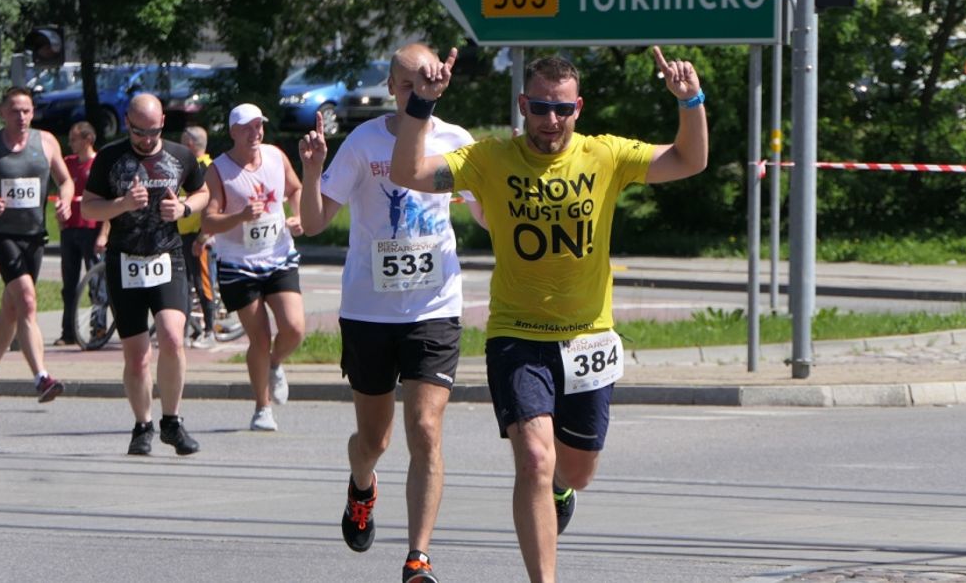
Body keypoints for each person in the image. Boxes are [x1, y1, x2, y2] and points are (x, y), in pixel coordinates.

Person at [391, 46, 708, 582]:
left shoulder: (605, 155)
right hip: (517, 335)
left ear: (578, 108)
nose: (551, 120)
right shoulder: (491, 159)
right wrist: (422, 103)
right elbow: (410, 171)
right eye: (540, 108)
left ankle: (563, 487)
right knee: (535, 459)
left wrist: (690, 101)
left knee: (575, 471)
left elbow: (689, 160)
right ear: (523, 106)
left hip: (588, 338)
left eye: (562, 109)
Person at [299, 42, 482, 583]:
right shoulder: (364, 141)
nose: (416, 92)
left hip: (435, 307)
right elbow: (313, 222)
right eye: (407, 85)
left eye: (425, 82)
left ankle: (418, 557)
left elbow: (488, 217)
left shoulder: (456, 141)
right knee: (374, 440)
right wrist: (311, 171)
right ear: (391, 87)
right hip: (369, 312)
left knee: (424, 428)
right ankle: (362, 486)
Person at [81, 93, 208, 456]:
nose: (147, 139)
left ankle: (172, 421)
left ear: (162, 123)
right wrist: (121, 204)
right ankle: (142, 425)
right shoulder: (110, 157)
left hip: (167, 256)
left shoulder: (180, 155)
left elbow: (203, 192)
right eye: (139, 132)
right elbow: (88, 207)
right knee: (137, 356)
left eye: (153, 132)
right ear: (127, 123)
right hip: (125, 262)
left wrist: (183, 208)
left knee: (172, 337)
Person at [0, 86, 74, 405]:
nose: (22, 116)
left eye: (26, 110)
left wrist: (65, 201)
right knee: (27, 299)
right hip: (0, 234)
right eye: (14, 110)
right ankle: (42, 377)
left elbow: (66, 181)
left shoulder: (47, 142)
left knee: (12, 308)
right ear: (2, 113)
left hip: (34, 235)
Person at [201, 104, 304, 432]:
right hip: (238, 264)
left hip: (279, 255)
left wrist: (298, 216)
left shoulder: (275, 156)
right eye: (247, 127)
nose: (255, 133)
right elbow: (208, 220)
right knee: (259, 337)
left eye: (259, 126)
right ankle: (263, 408)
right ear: (233, 131)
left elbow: (295, 188)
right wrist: (240, 216)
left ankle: (274, 363)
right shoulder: (219, 170)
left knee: (294, 328)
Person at [56, 121, 109, 347]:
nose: (70, 143)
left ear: (88, 140)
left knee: (96, 282)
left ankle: (99, 328)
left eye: (74, 139)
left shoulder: (99, 164)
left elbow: (108, 201)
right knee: (69, 284)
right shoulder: (68, 163)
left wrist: (104, 233)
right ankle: (68, 331)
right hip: (70, 229)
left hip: (91, 229)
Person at [177, 125, 217, 348]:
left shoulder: (207, 168)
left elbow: (213, 204)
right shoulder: (186, 166)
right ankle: (183, 331)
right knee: (183, 285)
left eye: (183, 142)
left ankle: (210, 330)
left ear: (190, 144)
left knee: (203, 284)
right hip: (182, 233)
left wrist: (203, 237)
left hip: (199, 235)